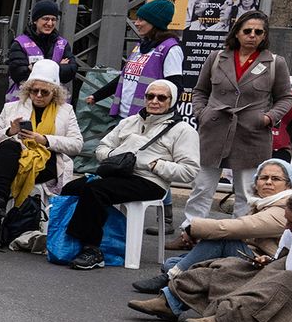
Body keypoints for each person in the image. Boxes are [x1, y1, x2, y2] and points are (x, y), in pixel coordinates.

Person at [57, 77, 200, 270]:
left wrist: (154, 164)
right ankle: (64, 239)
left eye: (161, 97)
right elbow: (102, 148)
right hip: (119, 173)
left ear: (171, 101)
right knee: (72, 187)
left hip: (151, 181)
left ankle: (92, 248)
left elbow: (189, 171)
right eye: (150, 96)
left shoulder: (183, 131)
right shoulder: (130, 121)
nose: (154, 101)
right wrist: (119, 154)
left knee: (96, 190)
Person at [129, 159, 292, 320]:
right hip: (253, 256)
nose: (268, 182)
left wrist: (193, 228)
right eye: (263, 178)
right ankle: (176, 275)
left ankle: (171, 284)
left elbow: (242, 226)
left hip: (268, 266)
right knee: (174, 262)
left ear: (288, 184)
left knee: (223, 238)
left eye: (275, 179)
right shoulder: (263, 203)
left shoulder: (285, 208)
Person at [171, 191, 292, 322]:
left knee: (286, 277)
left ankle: (227, 318)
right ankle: (171, 299)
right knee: (234, 266)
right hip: (290, 284)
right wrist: (268, 261)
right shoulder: (285, 223)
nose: (287, 227)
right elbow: (282, 260)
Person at [183, 11, 290, 229]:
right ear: (237, 33)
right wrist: (202, 113)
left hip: (252, 133)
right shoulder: (216, 58)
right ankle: (190, 231)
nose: (252, 35)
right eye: (247, 31)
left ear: (264, 36)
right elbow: (200, 91)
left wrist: (268, 118)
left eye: (258, 32)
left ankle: (239, 236)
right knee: (202, 187)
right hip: (214, 130)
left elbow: (285, 98)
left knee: (246, 191)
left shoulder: (275, 63)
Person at [0, 60, 83, 249]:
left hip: (48, 161)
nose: (38, 96)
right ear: (28, 90)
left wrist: (45, 139)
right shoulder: (12, 108)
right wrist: (10, 131)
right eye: (34, 91)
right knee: (8, 147)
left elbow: (77, 145)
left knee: (3, 170)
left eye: (44, 92)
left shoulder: (66, 111)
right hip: (15, 157)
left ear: (54, 92)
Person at [110, 0, 186, 119]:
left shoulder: (170, 49)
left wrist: (162, 117)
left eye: (141, 19)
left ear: (154, 23)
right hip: (124, 116)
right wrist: (97, 96)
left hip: (147, 118)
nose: (136, 23)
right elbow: (124, 78)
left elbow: (175, 86)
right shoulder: (141, 46)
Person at [4, 0, 78, 100]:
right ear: (35, 20)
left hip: (55, 103)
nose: (50, 23)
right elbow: (18, 74)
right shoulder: (20, 43)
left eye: (53, 19)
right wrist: (57, 67)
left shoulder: (62, 44)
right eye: (45, 19)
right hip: (24, 102)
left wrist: (34, 68)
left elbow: (71, 71)